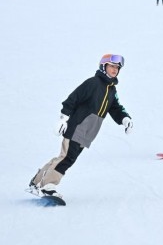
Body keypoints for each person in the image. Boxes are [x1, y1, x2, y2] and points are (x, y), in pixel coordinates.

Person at [28, 54, 133, 198]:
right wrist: (63, 118)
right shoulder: (93, 83)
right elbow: (73, 98)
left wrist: (125, 118)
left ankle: (37, 182)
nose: (115, 70)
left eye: (117, 68)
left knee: (64, 157)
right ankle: (48, 186)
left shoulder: (111, 90)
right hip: (78, 126)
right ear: (104, 67)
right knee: (67, 158)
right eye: (111, 66)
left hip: (88, 132)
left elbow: (115, 108)